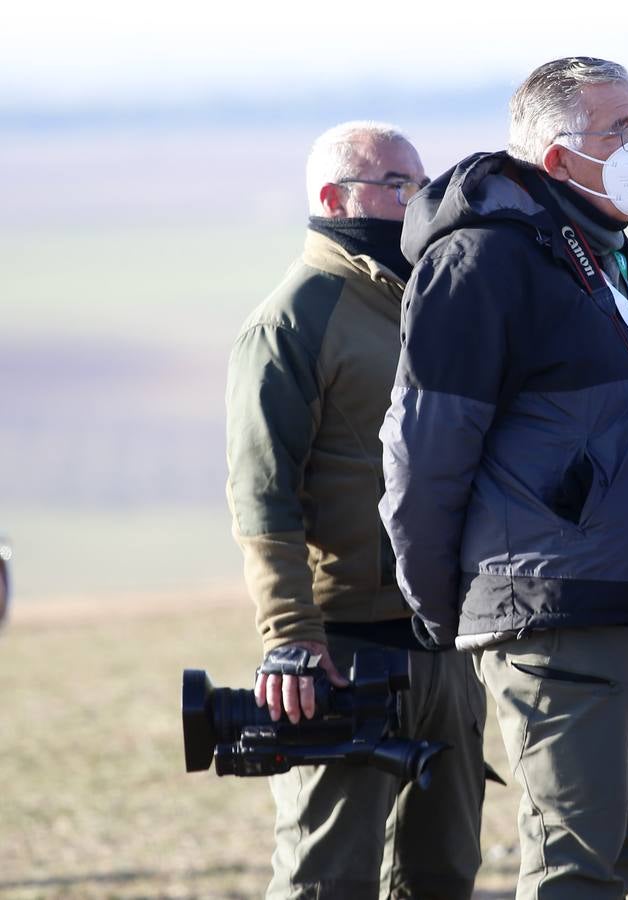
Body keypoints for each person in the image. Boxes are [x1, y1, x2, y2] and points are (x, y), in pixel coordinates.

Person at [378, 58, 628, 898]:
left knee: (627, 845)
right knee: (573, 866)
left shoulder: (605, 253)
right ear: (558, 159)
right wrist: (443, 602)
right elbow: (424, 452)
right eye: (620, 131)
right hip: (552, 607)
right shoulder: (482, 262)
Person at [225, 120, 486, 900]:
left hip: (444, 643)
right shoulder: (292, 319)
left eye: (422, 183)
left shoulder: (427, 301)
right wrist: (293, 640)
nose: (421, 201)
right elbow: (261, 496)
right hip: (341, 654)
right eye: (401, 186)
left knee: (443, 873)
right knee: (327, 880)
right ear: (339, 198)